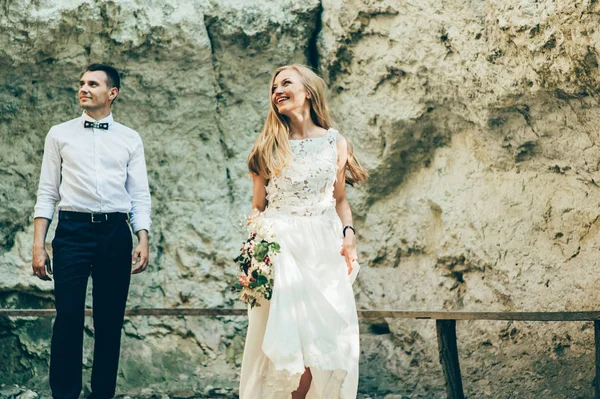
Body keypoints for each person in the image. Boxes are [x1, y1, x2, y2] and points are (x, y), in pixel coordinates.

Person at [239, 64, 368, 399]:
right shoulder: (267, 145)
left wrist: (349, 235)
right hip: (282, 251)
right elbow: (258, 207)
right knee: (288, 347)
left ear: (307, 91)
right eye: (273, 87)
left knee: (321, 345)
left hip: (323, 251)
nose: (277, 90)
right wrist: (254, 252)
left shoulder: (336, 143)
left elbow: (339, 200)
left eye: (286, 83)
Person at [31, 64, 151, 399]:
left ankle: (102, 394)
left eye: (93, 84)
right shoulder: (59, 134)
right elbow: (47, 192)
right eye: (82, 83)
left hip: (115, 233)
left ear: (112, 93)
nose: (84, 88)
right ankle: (65, 394)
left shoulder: (130, 138)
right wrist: (39, 244)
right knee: (68, 317)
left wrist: (142, 236)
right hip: (72, 232)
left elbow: (139, 193)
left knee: (109, 321)